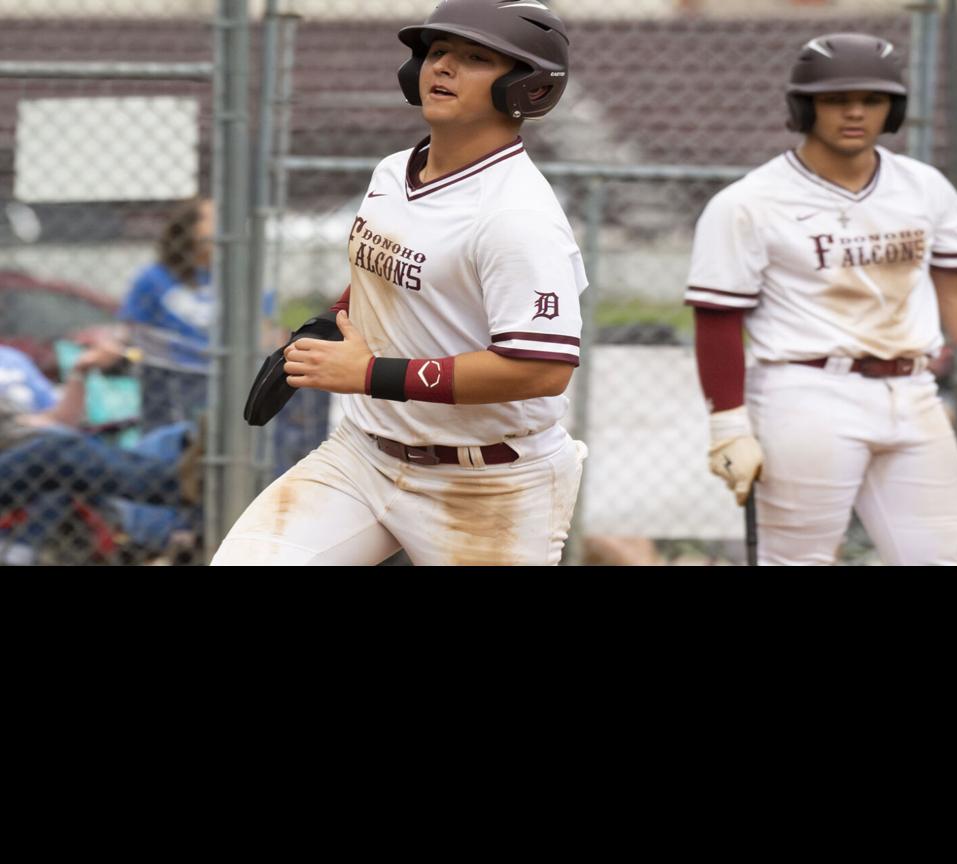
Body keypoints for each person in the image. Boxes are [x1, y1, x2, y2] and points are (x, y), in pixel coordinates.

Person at [211, 0, 587, 566]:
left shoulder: (517, 216)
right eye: (437, 52)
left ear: (527, 86)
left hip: (490, 483)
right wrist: (322, 330)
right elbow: (378, 275)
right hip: (363, 457)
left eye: (475, 57)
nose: (443, 67)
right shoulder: (393, 171)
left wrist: (369, 374)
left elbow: (541, 368)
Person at [685, 33, 957, 566]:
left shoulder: (925, 188)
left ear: (893, 109)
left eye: (873, 100)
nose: (855, 112)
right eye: (835, 99)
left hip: (915, 392)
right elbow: (718, 321)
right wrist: (729, 427)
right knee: (797, 560)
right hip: (804, 394)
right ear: (804, 106)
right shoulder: (748, 202)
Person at [1, 342, 201, 565]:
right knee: (57, 450)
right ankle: (180, 483)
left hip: (23, 452)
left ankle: (176, 505)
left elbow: (58, 421)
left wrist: (80, 371)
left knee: (66, 450)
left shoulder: (12, 359)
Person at [120, 197, 214, 432]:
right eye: (214, 219)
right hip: (171, 382)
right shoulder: (153, 278)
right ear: (190, 229)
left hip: (224, 378)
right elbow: (132, 332)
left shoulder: (238, 278)